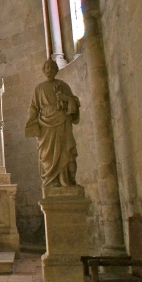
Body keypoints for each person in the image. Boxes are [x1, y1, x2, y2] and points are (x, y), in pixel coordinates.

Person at [25, 59, 80, 188]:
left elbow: (75, 102)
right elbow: (33, 107)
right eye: (47, 68)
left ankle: (65, 180)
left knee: (65, 151)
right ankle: (52, 181)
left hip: (62, 120)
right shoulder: (39, 88)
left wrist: (65, 98)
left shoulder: (64, 86)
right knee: (47, 154)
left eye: (52, 67)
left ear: (56, 69)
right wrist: (31, 121)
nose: (49, 70)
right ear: (44, 71)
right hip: (46, 125)